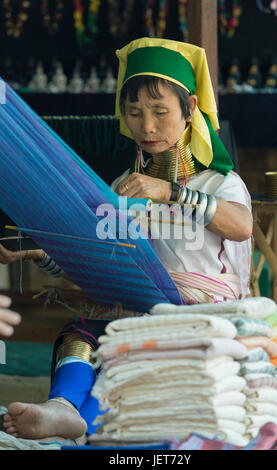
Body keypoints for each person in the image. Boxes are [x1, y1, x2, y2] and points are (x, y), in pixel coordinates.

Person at [2, 38, 253, 443]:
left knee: (132, 346)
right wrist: (38, 255)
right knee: (79, 334)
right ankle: (63, 409)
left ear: (190, 109)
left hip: (203, 318)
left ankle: (87, 421)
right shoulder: (124, 187)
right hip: (140, 309)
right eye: (134, 112)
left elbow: (241, 226)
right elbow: (105, 258)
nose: (147, 125)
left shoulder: (220, 182)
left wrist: (170, 191)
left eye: (159, 111)